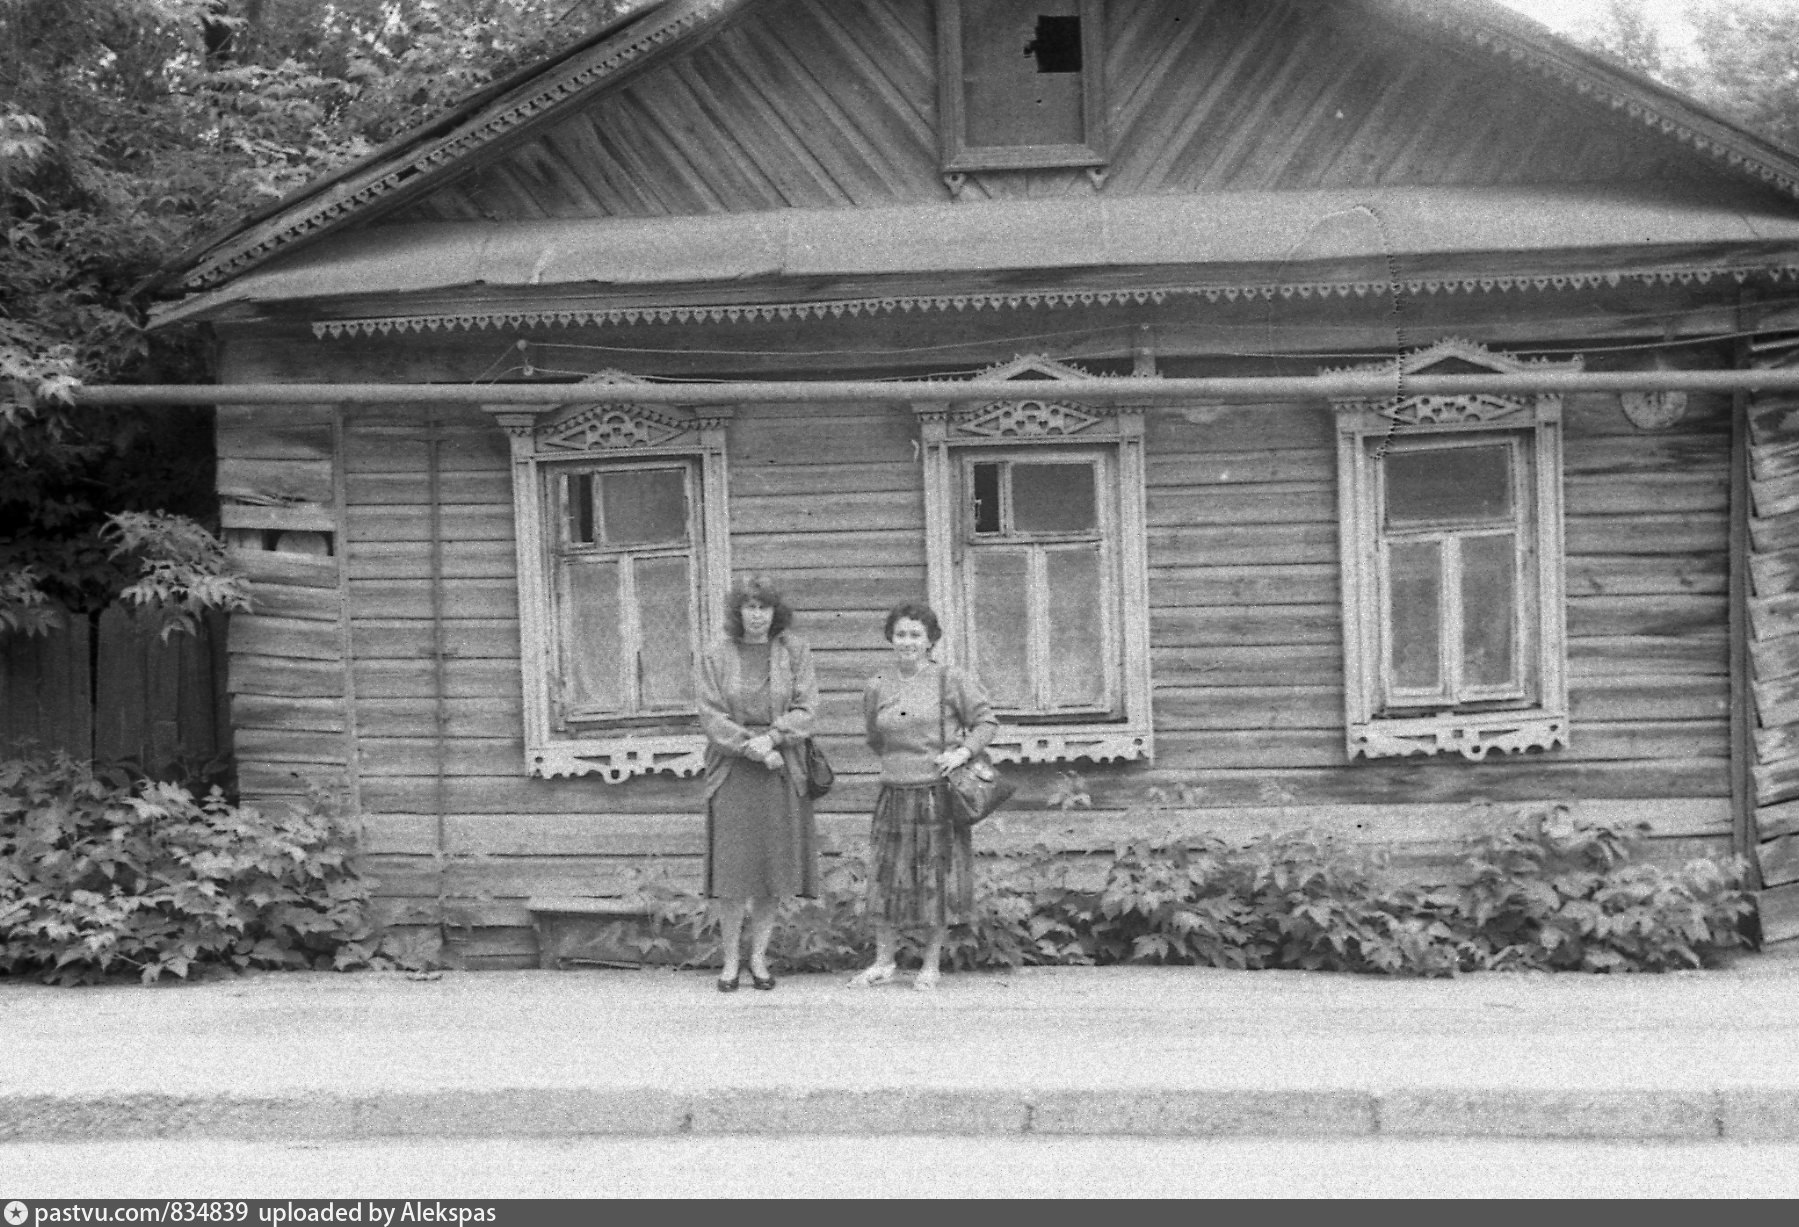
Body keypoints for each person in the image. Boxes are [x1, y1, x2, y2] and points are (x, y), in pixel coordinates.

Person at [850, 600, 997, 991]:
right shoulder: (877, 685)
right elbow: (874, 737)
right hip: (893, 794)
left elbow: (985, 722)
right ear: (890, 638)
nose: (907, 641)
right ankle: (884, 961)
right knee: (884, 877)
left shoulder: (951, 680)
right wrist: (900, 764)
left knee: (935, 879)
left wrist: (962, 752)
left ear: (930, 639)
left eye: (916, 634)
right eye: (900, 634)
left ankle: (930, 965)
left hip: (936, 793)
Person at [696, 575, 818, 992]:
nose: (757, 615)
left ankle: (759, 961)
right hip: (732, 771)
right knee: (733, 873)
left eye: (764, 607)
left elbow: (807, 708)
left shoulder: (795, 651)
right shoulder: (715, 654)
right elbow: (711, 716)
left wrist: (774, 738)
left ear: (774, 613)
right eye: (749, 607)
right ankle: (730, 963)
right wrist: (751, 746)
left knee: (770, 872)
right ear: (738, 612)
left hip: (780, 769)